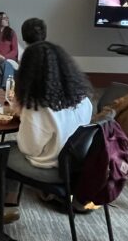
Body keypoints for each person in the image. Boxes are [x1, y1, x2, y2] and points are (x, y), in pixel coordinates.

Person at [9, 41, 93, 172]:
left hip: (46, 164)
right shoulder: (84, 100)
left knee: (0, 151)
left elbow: (28, 148)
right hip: (73, 165)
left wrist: (23, 115)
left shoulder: (37, 107)